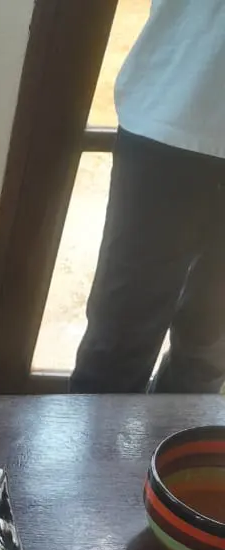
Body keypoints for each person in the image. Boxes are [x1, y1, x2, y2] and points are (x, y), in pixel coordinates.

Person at [71, 0, 225, 393]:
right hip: (174, 113)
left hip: (172, 110)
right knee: (117, 342)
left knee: (210, 350)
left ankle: (176, 453)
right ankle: (93, 455)